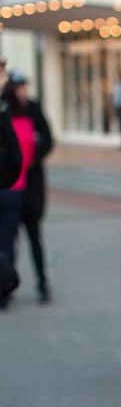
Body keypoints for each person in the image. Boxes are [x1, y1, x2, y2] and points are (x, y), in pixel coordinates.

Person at [9, 71, 53, 303]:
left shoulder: (34, 110)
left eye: (24, 87)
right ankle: (8, 284)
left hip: (32, 186)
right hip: (12, 187)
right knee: (10, 239)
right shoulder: (6, 111)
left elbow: (48, 138)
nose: (23, 92)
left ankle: (42, 282)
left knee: (35, 236)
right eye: (18, 88)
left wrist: (36, 156)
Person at [0, 76, 37, 309]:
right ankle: (5, 292)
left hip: (10, 187)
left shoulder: (16, 123)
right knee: (8, 241)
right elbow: (27, 156)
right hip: (15, 190)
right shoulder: (24, 124)